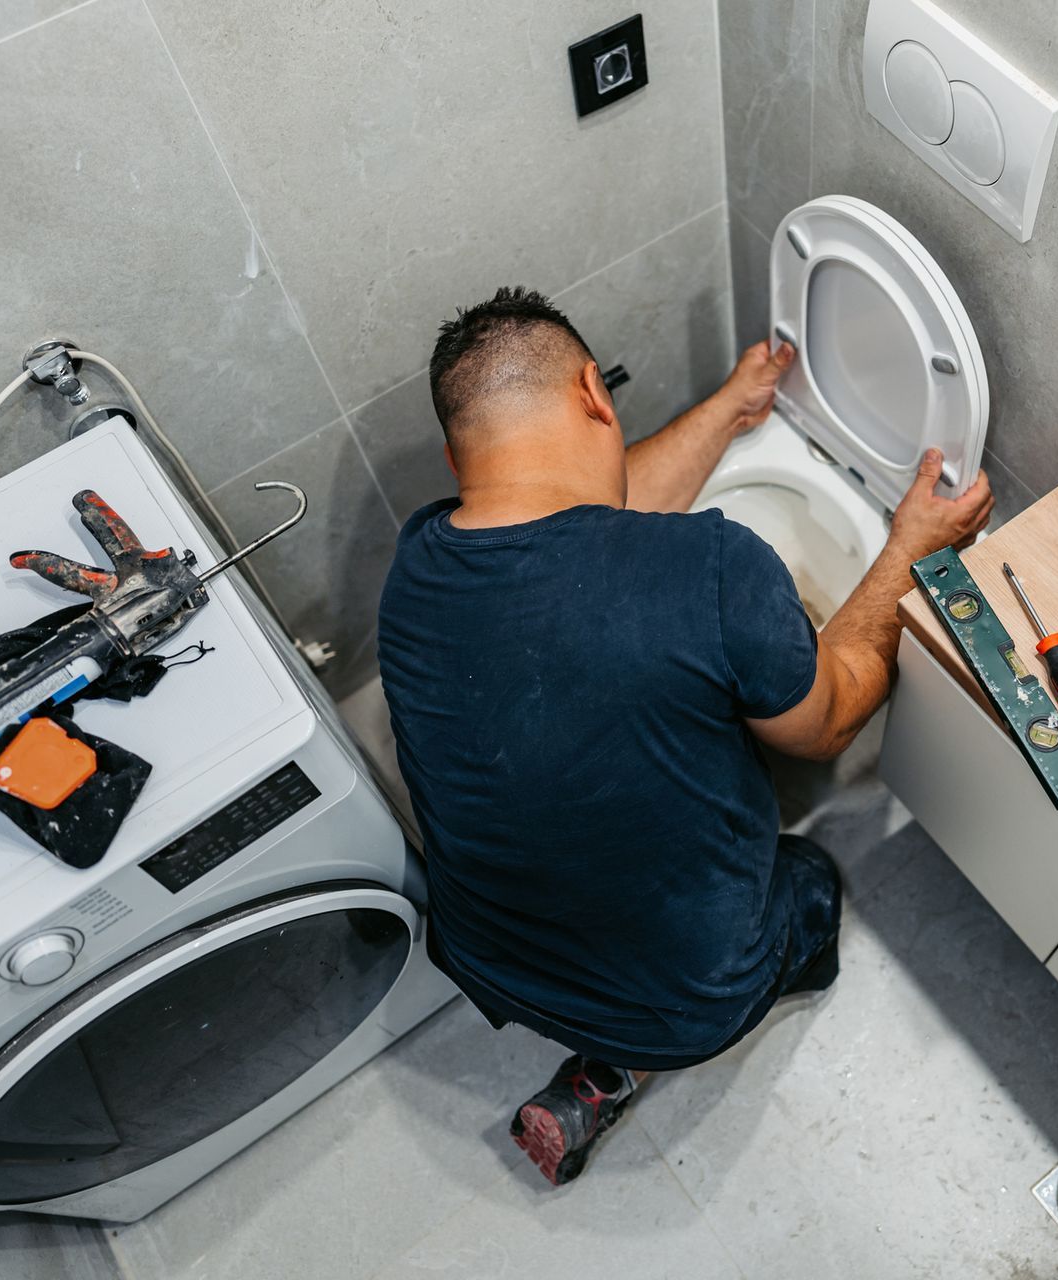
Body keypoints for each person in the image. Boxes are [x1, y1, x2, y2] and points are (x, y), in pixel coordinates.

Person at [377, 287, 992, 1185]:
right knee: (809, 880)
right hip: (690, 996)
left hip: (493, 964)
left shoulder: (419, 558)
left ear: (457, 456)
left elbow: (581, 522)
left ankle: (601, 1067)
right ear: (596, 392)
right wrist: (912, 550)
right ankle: (649, 1044)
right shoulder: (714, 564)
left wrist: (730, 411)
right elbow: (826, 722)